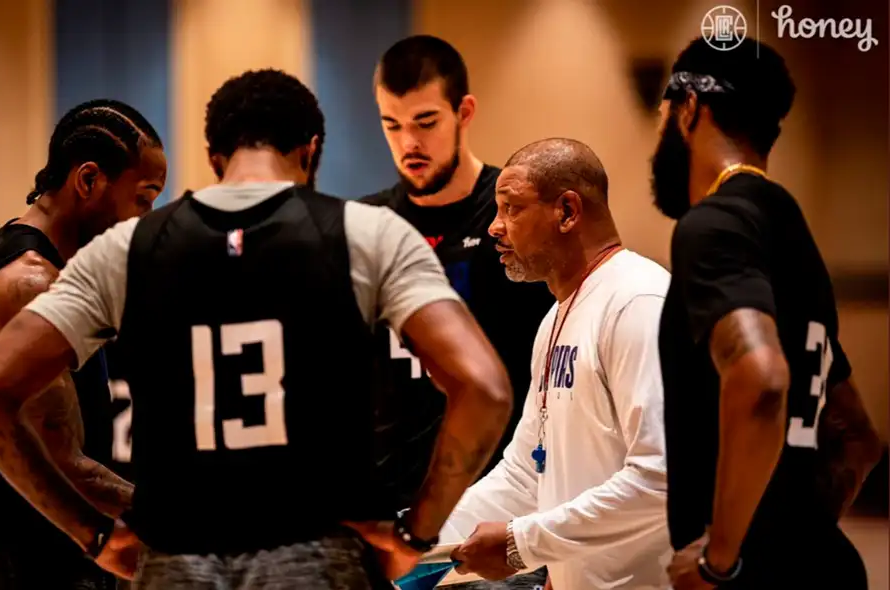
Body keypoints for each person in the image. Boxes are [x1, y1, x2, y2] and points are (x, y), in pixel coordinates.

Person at [0, 68, 515, 589]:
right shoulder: (370, 234)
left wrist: (91, 534)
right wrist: (417, 533)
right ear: (310, 149)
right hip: (319, 557)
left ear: (214, 157)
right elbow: (484, 389)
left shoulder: (123, 249)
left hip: (176, 560)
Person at [0, 99, 167, 589]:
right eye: (143, 198)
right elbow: (66, 462)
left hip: (16, 556)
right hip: (33, 568)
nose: (144, 219)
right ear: (88, 180)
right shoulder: (31, 283)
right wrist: (184, 516)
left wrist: (5, 485)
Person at [650, 37, 883, 590]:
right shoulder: (790, 227)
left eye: (663, 113)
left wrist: (720, 560)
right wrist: (802, 534)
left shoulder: (713, 225)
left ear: (689, 108)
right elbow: (858, 438)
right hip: (825, 567)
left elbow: (762, 380)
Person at [362, 35, 553, 588]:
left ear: (463, 112)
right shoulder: (365, 225)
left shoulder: (512, 216)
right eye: (392, 125)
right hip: (391, 519)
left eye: (426, 122)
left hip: (494, 524)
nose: (409, 143)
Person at [440, 138, 671, 590]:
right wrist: (415, 538)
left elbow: (660, 478)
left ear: (567, 212)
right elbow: (526, 473)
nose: (494, 228)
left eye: (511, 209)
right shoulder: (555, 319)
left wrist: (521, 543)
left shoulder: (638, 301)